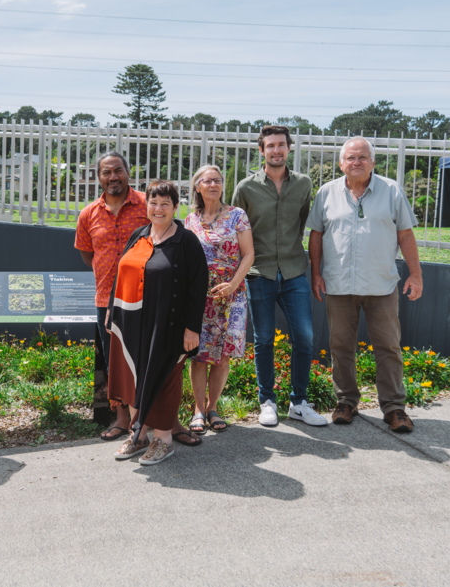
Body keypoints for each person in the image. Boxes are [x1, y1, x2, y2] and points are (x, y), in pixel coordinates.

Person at [306, 136, 423, 432]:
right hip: (338, 284)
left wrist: (415, 274)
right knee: (341, 347)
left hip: (381, 284)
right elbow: (316, 235)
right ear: (341, 163)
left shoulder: (391, 191)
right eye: (350, 158)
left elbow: (406, 235)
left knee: (388, 347)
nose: (356, 162)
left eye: (362, 157)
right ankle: (346, 402)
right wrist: (316, 274)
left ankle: (394, 408)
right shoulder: (326, 193)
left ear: (373, 161)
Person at [232, 125, 328, 428]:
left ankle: (298, 402)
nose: (276, 150)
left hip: (294, 270)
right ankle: (267, 401)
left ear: (289, 149)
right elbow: (237, 230)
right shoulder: (245, 188)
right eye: (270, 145)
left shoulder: (303, 184)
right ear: (261, 150)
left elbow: (303, 226)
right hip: (259, 272)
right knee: (263, 340)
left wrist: (312, 273)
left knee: (305, 337)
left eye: (281, 145)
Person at [107, 180, 208, 465]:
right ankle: (138, 435)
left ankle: (163, 440)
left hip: (169, 326)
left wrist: (192, 328)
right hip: (132, 322)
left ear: (176, 207)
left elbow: (197, 287)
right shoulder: (140, 235)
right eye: (153, 202)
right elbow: (121, 272)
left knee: (164, 380)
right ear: (146, 206)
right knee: (133, 377)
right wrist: (111, 312)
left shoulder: (186, 241)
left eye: (165, 203)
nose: (158, 208)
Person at [74, 151, 149, 442]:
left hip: (144, 296)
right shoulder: (88, 214)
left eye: (118, 171)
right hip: (107, 299)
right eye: (107, 172)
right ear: (99, 178)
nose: (113, 177)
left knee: (145, 358)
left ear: (128, 173)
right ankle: (121, 419)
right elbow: (87, 254)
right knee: (114, 362)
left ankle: (148, 416)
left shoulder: (146, 204)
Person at [184, 165, 254, 434]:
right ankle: (198, 410)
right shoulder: (190, 220)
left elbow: (248, 255)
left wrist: (233, 284)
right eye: (207, 180)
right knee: (199, 355)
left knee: (223, 357)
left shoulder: (237, 215)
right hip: (199, 298)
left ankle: (213, 408)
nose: (214, 184)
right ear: (197, 186)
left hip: (231, 296)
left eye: (218, 180)